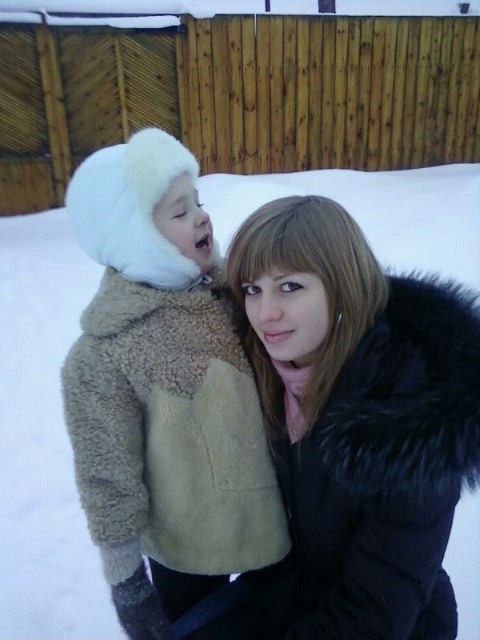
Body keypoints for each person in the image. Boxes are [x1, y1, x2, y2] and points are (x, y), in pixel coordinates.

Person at [61, 127, 290, 640]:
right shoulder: (105, 354)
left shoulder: (241, 295)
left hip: (282, 528)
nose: (202, 217)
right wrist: (130, 590)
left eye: (199, 202)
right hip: (187, 555)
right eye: (180, 211)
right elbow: (107, 480)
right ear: (134, 235)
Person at [219, 194, 480, 640]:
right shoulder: (252, 372)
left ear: (341, 285)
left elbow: (371, 619)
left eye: (290, 286)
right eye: (252, 289)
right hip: (284, 603)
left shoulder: (409, 415)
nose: (265, 313)